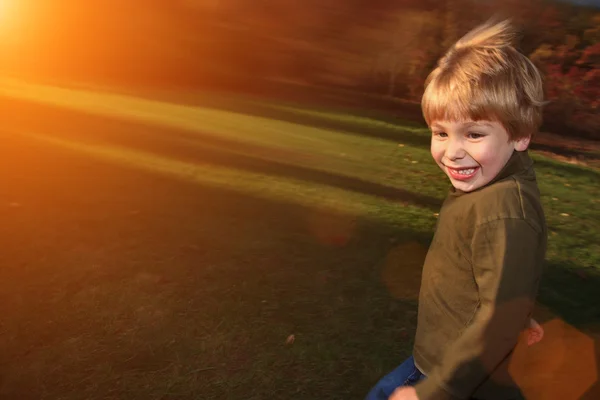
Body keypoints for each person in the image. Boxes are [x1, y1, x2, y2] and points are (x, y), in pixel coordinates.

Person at [366, 18, 548, 400]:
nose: (452, 151)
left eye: (474, 134)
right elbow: (497, 285)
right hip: (433, 359)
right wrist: (516, 306)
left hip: (451, 380)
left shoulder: (503, 211)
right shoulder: (485, 189)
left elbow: (498, 319)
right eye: (441, 132)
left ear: (520, 135)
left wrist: (433, 391)